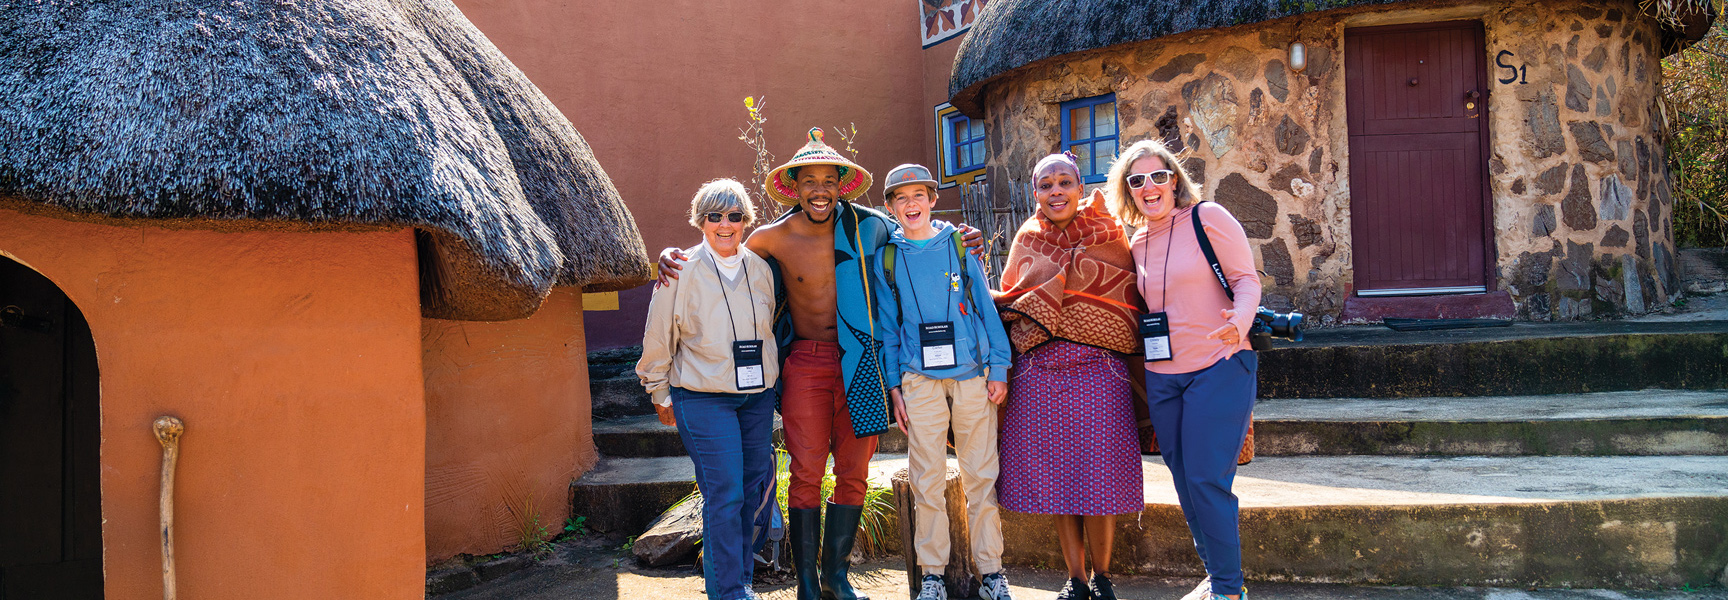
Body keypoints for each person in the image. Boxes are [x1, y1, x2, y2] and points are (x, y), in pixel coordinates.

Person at [1109, 139, 1261, 600]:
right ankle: (1218, 577)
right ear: (1129, 191)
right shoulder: (1136, 242)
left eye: (1158, 176)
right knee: (1184, 480)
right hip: (1163, 377)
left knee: (1206, 479)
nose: (1149, 186)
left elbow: (1246, 280)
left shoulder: (1207, 218)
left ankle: (1230, 591)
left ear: (1174, 179)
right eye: (1137, 180)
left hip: (1218, 366)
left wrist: (1239, 322)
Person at [993, 153, 1145, 600]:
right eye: (1045, 185)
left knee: (1101, 478)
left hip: (1102, 374)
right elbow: (1013, 301)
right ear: (1035, 192)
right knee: (1057, 479)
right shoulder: (1027, 238)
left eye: (1064, 182)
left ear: (1080, 187)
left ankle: (1103, 577)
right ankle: (1075, 580)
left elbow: (1130, 300)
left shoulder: (1111, 235)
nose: (1055, 191)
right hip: (1040, 375)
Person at [870, 164, 1014, 600]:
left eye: (919, 195)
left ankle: (991, 572)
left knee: (981, 477)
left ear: (933, 199)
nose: (910, 204)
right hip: (919, 381)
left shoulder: (959, 244)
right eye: (901, 197)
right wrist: (894, 386)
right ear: (891, 206)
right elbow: (889, 328)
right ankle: (932, 573)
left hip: (972, 376)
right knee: (926, 478)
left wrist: (1000, 367)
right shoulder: (887, 258)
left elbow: (986, 307)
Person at [637, 179, 779, 600]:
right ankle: (728, 591)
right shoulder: (679, 268)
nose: (724, 224)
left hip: (756, 396)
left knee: (752, 489)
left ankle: (740, 582)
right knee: (725, 491)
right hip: (701, 396)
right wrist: (658, 391)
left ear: (745, 221)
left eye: (734, 216)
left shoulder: (760, 269)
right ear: (701, 221)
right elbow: (658, 335)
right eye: (714, 216)